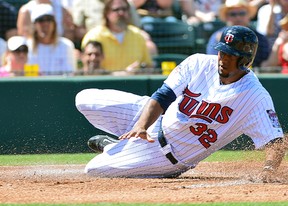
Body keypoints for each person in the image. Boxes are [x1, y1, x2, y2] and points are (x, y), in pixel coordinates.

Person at [75, 25, 287, 182]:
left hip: (165, 156)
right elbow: (163, 96)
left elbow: (275, 142)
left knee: (94, 170)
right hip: (154, 120)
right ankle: (124, 143)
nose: (222, 58)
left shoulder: (255, 96)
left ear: (245, 59)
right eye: (222, 51)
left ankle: (115, 148)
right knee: (84, 99)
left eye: (230, 55)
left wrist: (269, 169)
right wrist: (141, 126)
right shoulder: (198, 63)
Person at [81, 0, 154, 73]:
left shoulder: (138, 36)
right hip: (102, 84)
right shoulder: (94, 36)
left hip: (134, 83)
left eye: (124, 9)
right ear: (107, 13)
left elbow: (148, 66)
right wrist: (122, 74)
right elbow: (89, 71)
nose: (121, 13)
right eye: (116, 9)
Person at [206, 0, 270, 68]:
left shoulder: (259, 38)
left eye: (242, 13)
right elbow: (214, 62)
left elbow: (264, 63)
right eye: (233, 14)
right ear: (226, 17)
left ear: (248, 15)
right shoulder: (218, 36)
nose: (238, 17)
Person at [26, 3, 76, 76]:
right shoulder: (27, 46)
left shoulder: (66, 45)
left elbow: (71, 74)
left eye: (49, 20)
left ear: (54, 24)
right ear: (34, 24)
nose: (45, 24)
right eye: (41, 20)